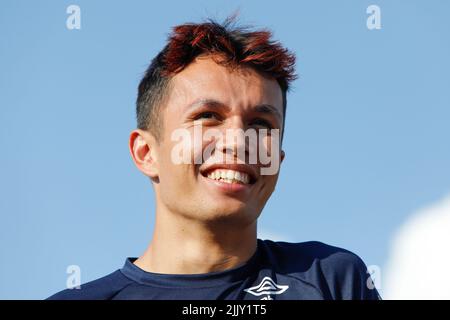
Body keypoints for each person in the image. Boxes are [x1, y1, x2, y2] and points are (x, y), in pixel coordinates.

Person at [48, 17, 381, 300]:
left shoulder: (329, 279)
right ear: (146, 153)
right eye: (208, 115)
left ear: (277, 159)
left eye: (261, 124)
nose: (238, 141)